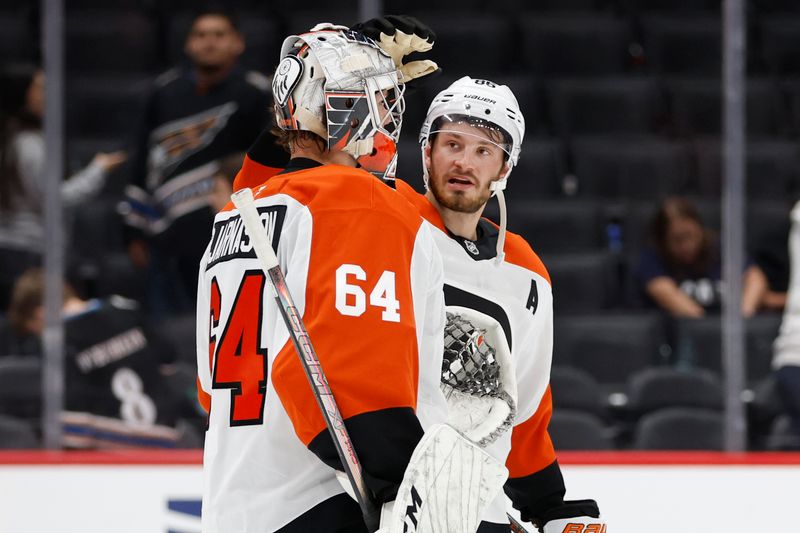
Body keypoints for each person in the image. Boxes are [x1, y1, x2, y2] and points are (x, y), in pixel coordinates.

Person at [195, 26, 449, 532]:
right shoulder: (358, 201)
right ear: (344, 110)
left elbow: (209, 390)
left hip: (233, 506)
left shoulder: (233, 218)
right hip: (319, 501)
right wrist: (416, 496)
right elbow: (348, 374)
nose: (387, 117)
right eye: (377, 100)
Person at [389, 77, 605, 532]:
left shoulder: (525, 270)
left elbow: (520, 410)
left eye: (484, 150)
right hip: (389, 496)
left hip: (474, 507)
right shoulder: (384, 218)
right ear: (426, 152)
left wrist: (547, 505)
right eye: (451, 143)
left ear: (505, 168)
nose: (464, 162)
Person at [123, 5, 284, 315]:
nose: (209, 42)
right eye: (201, 35)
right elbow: (142, 159)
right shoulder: (163, 93)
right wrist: (133, 228)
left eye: (219, 35)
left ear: (238, 42)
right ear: (188, 43)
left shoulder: (256, 93)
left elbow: (269, 161)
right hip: (165, 236)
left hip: (228, 232)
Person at [5, 268, 185, 448]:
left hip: (116, 451)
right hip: (169, 438)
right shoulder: (124, 308)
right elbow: (169, 361)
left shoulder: (58, 343)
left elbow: (71, 420)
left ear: (40, 314)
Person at [0, 66, 126, 309]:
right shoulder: (28, 144)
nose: (48, 94)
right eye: (40, 88)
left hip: (14, 249)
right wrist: (98, 169)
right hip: (27, 251)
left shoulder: (11, 137)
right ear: (23, 94)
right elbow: (56, 199)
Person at [635, 196, 773, 318]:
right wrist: (708, 331)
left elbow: (755, 278)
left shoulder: (718, 248)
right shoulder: (652, 260)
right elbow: (681, 306)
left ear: (700, 229)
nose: (686, 246)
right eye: (677, 240)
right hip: (679, 339)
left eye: (691, 236)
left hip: (729, 333)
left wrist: (744, 315)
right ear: (663, 241)